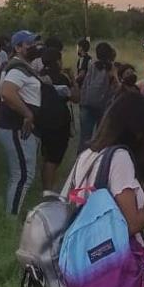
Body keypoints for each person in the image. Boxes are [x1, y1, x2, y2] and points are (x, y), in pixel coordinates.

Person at [61, 84, 144, 287]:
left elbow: (72, 201)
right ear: (136, 130)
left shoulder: (88, 155)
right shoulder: (120, 157)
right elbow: (130, 225)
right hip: (108, 272)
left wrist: (141, 193)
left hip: (80, 269)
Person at [0, 30, 44, 216]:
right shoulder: (16, 69)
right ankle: (10, 219)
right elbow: (7, 93)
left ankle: (12, 214)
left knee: (23, 174)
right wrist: (28, 114)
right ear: (17, 47)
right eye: (29, 44)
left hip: (18, 127)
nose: (34, 47)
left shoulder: (22, 67)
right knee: (23, 175)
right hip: (15, 127)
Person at [38, 47, 80, 193]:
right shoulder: (62, 78)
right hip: (59, 121)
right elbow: (76, 98)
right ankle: (48, 190)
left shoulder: (39, 75)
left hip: (42, 119)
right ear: (57, 61)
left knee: (46, 155)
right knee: (54, 158)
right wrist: (73, 79)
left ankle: (46, 187)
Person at [79, 42, 118, 153]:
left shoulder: (92, 65)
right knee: (101, 139)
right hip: (103, 106)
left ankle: (81, 163)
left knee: (84, 139)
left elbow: (86, 84)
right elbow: (116, 86)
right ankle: (96, 162)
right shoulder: (111, 69)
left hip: (87, 104)